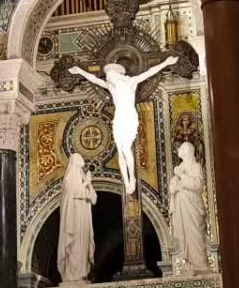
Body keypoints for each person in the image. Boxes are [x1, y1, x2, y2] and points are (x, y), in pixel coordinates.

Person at [69, 57, 177, 198]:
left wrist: (165, 63)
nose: (107, 77)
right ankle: (126, 182)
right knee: (121, 151)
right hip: (118, 118)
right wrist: (80, 71)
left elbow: (150, 72)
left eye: (109, 75)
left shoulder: (131, 82)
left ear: (116, 74)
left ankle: (131, 177)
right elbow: (95, 80)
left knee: (126, 149)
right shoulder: (111, 87)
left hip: (128, 117)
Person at [56, 151, 97, 285]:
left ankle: (82, 274)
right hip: (72, 221)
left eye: (81, 168)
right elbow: (73, 192)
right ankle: (72, 276)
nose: (80, 170)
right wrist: (85, 184)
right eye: (79, 167)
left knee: (83, 246)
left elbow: (94, 199)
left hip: (83, 219)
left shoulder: (82, 181)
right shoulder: (68, 181)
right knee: (73, 247)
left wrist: (89, 184)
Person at [169, 142, 209, 271]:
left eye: (181, 148)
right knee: (183, 234)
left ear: (187, 151)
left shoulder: (195, 166)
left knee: (195, 234)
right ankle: (189, 262)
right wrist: (174, 186)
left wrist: (181, 175)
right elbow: (172, 188)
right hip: (181, 205)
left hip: (192, 205)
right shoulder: (179, 168)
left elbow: (198, 185)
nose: (178, 150)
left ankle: (201, 264)